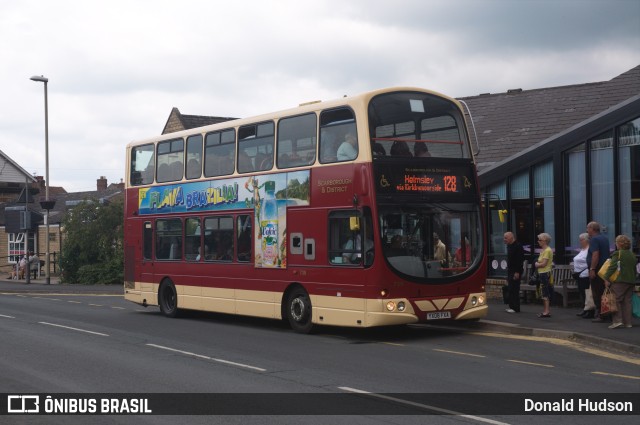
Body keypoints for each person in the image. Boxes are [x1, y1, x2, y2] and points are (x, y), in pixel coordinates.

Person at [603, 235, 637, 329]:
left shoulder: (617, 254)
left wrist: (606, 278)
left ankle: (618, 321)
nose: (616, 244)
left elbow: (612, 267)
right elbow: (634, 269)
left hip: (620, 281)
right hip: (630, 281)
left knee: (616, 300)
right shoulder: (632, 255)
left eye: (616, 242)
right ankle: (628, 323)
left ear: (619, 244)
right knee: (627, 302)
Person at [586, 221, 611, 323]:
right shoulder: (604, 238)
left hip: (597, 269)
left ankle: (601, 315)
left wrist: (592, 269)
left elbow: (595, 254)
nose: (587, 230)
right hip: (604, 268)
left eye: (588, 228)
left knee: (597, 292)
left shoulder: (594, 239)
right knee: (603, 291)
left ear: (592, 229)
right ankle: (606, 313)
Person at [573, 233, 595, 318]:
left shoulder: (589, 249)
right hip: (579, 275)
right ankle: (585, 309)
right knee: (582, 293)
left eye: (581, 240)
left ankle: (590, 311)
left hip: (585, 274)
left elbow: (589, 261)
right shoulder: (582, 249)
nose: (580, 241)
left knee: (587, 293)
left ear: (586, 240)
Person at [504, 232, 524, 313]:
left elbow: (519, 260)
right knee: (511, 288)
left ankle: (516, 308)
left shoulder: (518, 246)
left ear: (511, 237)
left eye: (506, 238)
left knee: (514, 289)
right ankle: (511, 306)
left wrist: (517, 272)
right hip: (510, 270)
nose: (504, 240)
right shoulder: (509, 246)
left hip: (515, 271)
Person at [534, 233, 553, 318]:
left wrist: (537, 264)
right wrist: (538, 264)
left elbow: (544, 264)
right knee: (543, 292)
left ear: (545, 241)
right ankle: (545, 311)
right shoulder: (543, 251)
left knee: (545, 292)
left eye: (540, 240)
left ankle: (546, 311)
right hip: (542, 273)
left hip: (545, 273)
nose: (538, 242)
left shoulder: (547, 250)